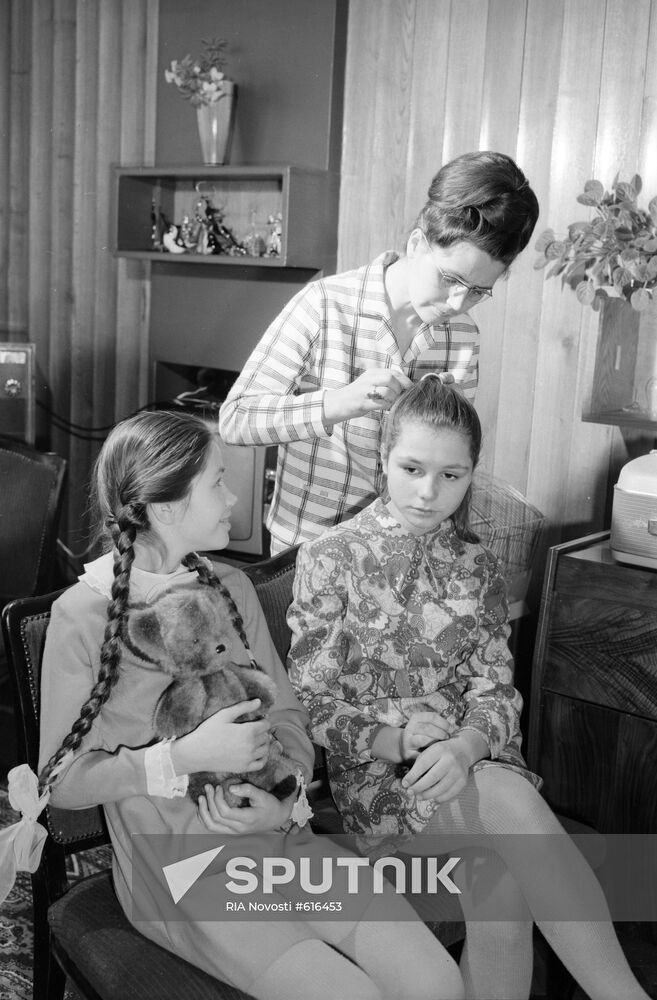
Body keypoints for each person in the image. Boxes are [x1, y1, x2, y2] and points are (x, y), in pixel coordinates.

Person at [3, 409, 466, 1000]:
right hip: (182, 875)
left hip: (278, 842)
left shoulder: (232, 587)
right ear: (167, 507)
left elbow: (290, 718)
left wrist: (285, 799)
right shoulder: (83, 616)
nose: (234, 497)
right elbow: (62, 783)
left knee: (436, 981)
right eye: (218, 482)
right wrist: (182, 757)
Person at [286, 377, 651, 1000]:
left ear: (471, 474)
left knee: (500, 886)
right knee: (511, 806)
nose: (429, 492)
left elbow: (496, 688)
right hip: (386, 781)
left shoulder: (477, 563)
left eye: (451, 476)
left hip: (474, 762)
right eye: (412, 468)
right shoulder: (329, 557)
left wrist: (471, 744)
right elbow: (313, 702)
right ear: (383, 458)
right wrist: (397, 740)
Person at [218, 150, 539, 554]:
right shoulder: (324, 304)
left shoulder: (462, 335)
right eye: (450, 279)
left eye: (478, 291)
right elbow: (236, 419)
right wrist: (339, 403)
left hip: (401, 552)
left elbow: (454, 454)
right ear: (418, 243)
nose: (458, 303)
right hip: (306, 548)